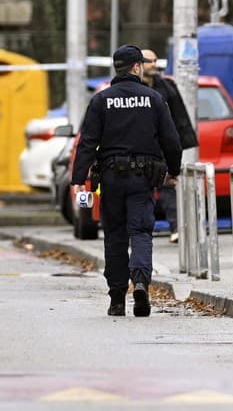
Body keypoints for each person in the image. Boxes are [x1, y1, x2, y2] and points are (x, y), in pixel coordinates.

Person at [71, 45, 182, 318]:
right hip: (142, 179)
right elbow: (172, 140)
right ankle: (141, 282)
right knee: (141, 232)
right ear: (136, 67)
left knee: (115, 236)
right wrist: (173, 171)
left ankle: (117, 298)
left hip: (110, 179)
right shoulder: (153, 98)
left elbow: (87, 142)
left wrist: (78, 179)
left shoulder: (101, 100)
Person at [141, 49, 198, 243]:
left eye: (155, 60)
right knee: (141, 189)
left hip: (162, 146)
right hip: (141, 146)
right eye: (149, 61)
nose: (154, 64)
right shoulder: (132, 89)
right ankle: (140, 230)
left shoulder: (167, 86)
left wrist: (180, 141)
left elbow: (179, 115)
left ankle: (176, 227)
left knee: (167, 186)